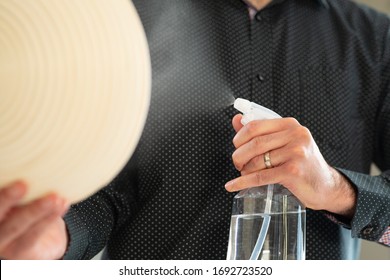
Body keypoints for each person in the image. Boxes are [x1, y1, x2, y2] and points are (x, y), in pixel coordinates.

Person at [0, 0, 389, 260]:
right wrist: (59, 237)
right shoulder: (128, 21)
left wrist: (338, 189)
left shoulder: (376, 40)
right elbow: (105, 190)